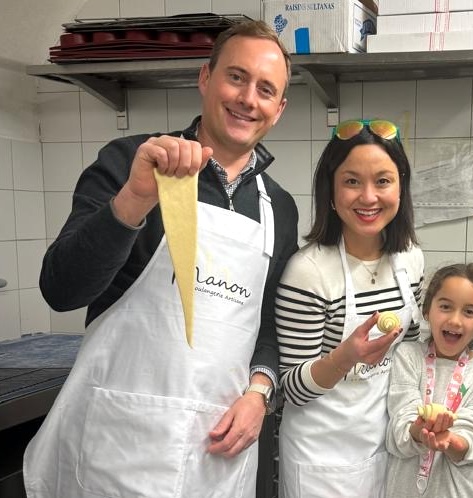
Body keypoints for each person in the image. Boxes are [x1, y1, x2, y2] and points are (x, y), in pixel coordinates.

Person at [24, 20, 298, 498]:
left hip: (218, 454)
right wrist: (133, 199)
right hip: (118, 447)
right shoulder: (131, 162)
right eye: (236, 77)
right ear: (204, 78)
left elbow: (272, 324)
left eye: (265, 89)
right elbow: (61, 289)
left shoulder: (280, 207)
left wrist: (260, 393)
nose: (247, 99)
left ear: (278, 109)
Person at [275, 119, 424, 498]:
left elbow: (406, 353)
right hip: (320, 455)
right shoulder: (308, 272)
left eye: (383, 181)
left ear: (401, 187)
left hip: (386, 444)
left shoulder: (410, 259)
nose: (369, 197)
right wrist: (344, 358)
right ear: (331, 188)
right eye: (352, 181)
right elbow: (291, 388)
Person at [385, 263, 473, 498]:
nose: (455, 320)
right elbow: (401, 420)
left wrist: (451, 441)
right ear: (427, 309)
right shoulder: (408, 356)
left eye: (469, 312)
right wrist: (419, 432)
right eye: (445, 307)